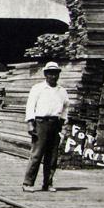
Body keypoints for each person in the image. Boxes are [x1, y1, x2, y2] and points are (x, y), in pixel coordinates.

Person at [23, 61, 69, 192]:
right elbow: (30, 106)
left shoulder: (62, 91)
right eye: (50, 73)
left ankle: (47, 183)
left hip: (55, 123)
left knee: (52, 156)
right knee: (37, 154)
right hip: (40, 123)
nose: (53, 76)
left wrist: (62, 122)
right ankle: (28, 183)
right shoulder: (37, 88)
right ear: (46, 74)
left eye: (56, 74)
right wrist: (30, 123)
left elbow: (66, 107)